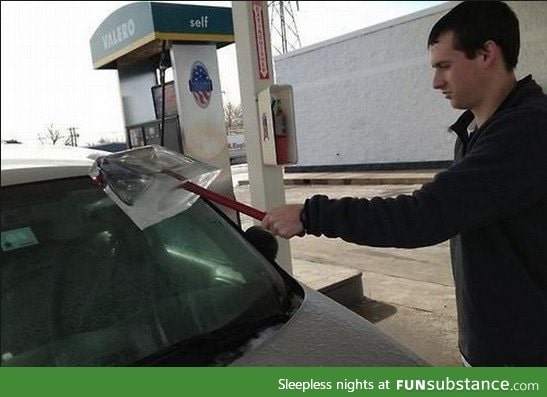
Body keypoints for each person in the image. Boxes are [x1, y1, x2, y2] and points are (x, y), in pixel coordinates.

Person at [261, 1, 547, 366]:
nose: (435, 82)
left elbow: (423, 216)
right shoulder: (476, 133)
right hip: (493, 343)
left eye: (444, 66)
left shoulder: (527, 131)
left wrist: (310, 215)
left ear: (487, 53)